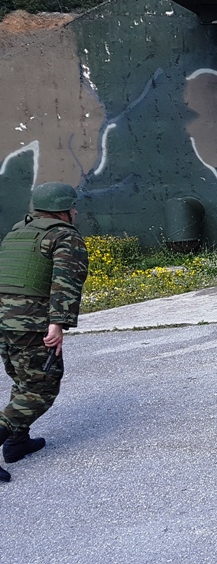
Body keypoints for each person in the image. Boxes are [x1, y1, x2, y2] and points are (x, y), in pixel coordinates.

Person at [0, 182, 89, 482]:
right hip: (32, 324)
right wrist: (57, 324)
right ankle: (8, 434)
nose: (76, 212)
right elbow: (66, 281)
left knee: (24, 380)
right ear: (63, 211)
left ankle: (18, 441)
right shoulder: (64, 236)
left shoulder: (17, 233)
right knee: (41, 388)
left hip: (5, 323)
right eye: (73, 207)